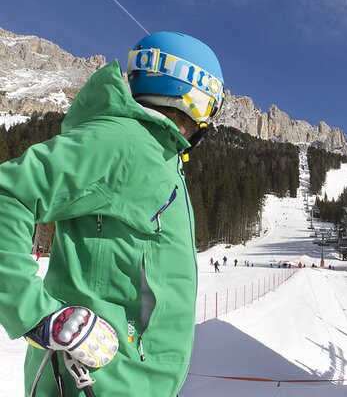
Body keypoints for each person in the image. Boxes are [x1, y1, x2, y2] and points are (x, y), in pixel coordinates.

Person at [0, 31, 224, 395]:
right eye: (215, 103)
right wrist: (35, 313)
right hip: (93, 381)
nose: (212, 118)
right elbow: (7, 193)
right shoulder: (123, 142)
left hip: (132, 380)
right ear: (195, 94)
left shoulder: (160, 155)